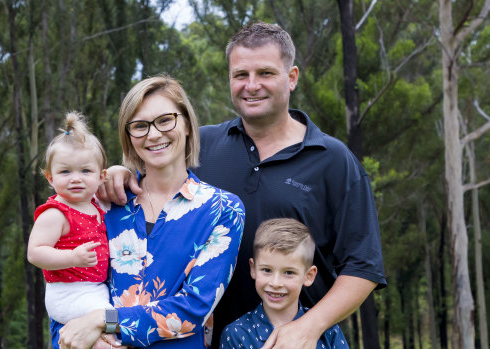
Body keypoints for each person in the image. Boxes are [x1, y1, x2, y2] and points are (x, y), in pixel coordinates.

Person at [100, 22, 386, 349]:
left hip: (293, 341)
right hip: (203, 339)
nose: (252, 86)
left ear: (291, 77)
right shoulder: (202, 145)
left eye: (265, 73)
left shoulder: (333, 160)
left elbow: (363, 266)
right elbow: (154, 173)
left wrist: (307, 327)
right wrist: (121, 173)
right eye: (240, 75)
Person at [57, 76, 245, 349]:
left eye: (165, 120)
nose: (154, 134)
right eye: (140, 126)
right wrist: (92, 340)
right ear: (128, 136)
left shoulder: (223, 210)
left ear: (188, 125)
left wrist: (104, 320)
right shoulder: (103, 201)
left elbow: (194, 309)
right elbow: (64, 288)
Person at [27, 112, 113, 349]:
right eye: (65, 172)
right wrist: (72, 257)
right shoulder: (56, 213)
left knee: (111, 326)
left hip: (94, 290)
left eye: (85, 171)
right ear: (50, 177)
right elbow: (35, 253)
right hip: (68, 293)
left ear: (101, 176)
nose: (76, 179)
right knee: (112, 322)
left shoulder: (97, 205)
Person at [220, 218, 349, 348]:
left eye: (288, 272)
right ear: (253, 269)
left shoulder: (329, 332)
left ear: (308, 276)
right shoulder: (236, 334)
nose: (275, 283)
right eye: (267, 270)